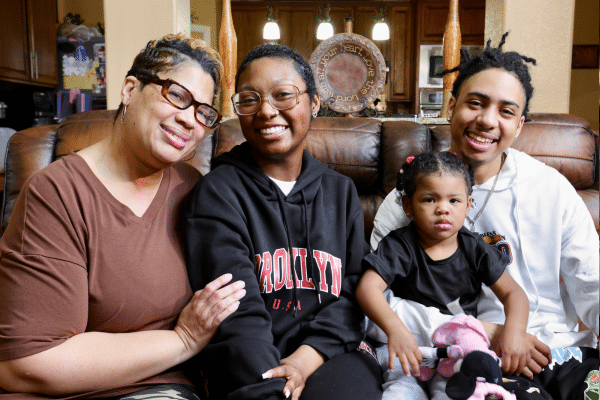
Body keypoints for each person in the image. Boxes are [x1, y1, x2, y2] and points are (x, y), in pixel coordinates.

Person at [0, 34, 246, 399]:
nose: (189, 120)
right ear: (130, 89)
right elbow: (29, 362)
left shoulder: (195, 189)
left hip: (164, 389)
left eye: (203, 112)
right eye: (177, 95)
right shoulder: (57, 193)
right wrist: (183, 339)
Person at [369, 33, 599, 400]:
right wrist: (485, 331)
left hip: (562, 350)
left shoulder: (552, 189)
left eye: (506, 111)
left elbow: (593, 284)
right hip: (475, 358)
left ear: (520, 125)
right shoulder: (405, 201)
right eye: (475, 103)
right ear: (451, 106)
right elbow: (382, 307)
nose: (488, 121)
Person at [184, 44, 383, 400]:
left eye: (283, 95)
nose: (265, 111)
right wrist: (274, 383)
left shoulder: (341, 192)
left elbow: (354, 292)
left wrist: (305, 361)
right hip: (248, 357)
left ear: (314, 102)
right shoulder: (217, 193)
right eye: (249, 99)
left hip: (329, 353)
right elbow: (235, 311)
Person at [357, 151, 529, 399]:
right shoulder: (400, 246)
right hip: (409, 349)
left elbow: (514, 293)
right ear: (408, 206)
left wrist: (514, 332)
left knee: (456, 393)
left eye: (454, 201)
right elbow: (367, 288)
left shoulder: (474, 248)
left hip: (457, 352)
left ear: (468, 205)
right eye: (429, 200)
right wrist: (396, 330)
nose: (443, 210)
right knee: (401, 392)